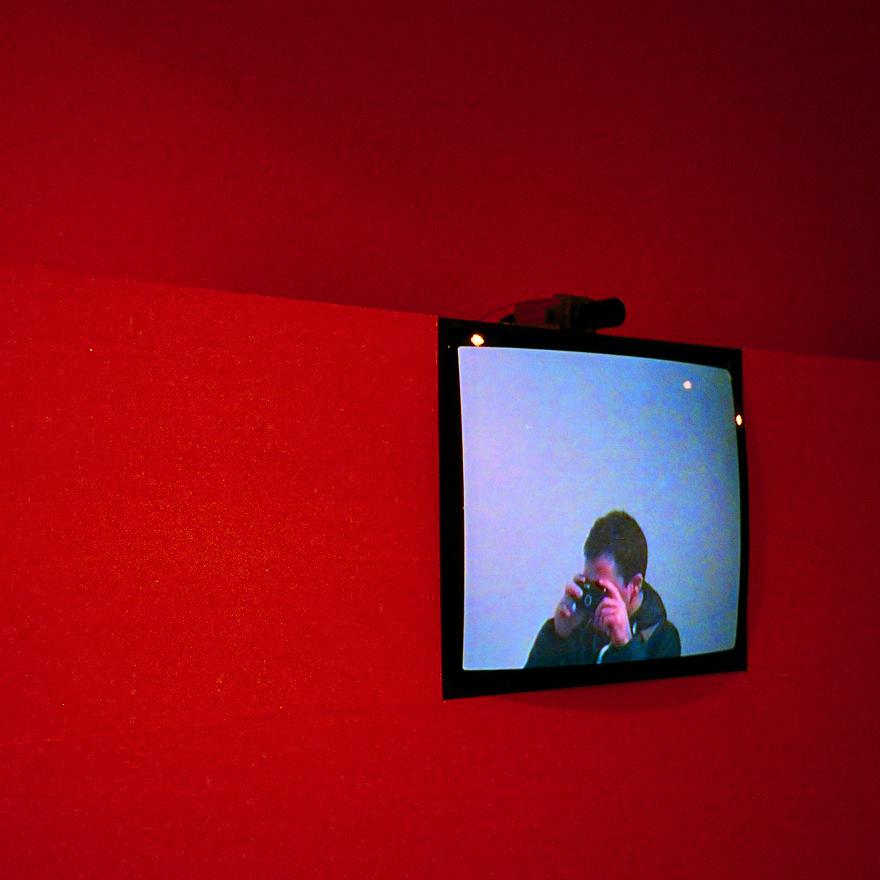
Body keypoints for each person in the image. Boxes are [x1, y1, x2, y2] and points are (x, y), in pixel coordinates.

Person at [525, 510, 680, 667]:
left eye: (602, 589)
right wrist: (556, 636)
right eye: (588, 584)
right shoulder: (580, 623)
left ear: (634, 586)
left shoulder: (662, 638)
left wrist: (626, 645)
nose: (593, 597)